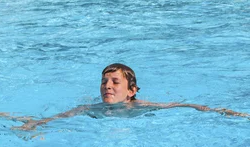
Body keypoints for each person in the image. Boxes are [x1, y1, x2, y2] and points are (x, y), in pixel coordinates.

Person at [21, 63, 248, 130]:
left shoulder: (142, 107)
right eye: (103, 82)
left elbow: (183, 106)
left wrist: (223, 112)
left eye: (115, 82)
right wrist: (35, 124)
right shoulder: (90, 108)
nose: (106, 87)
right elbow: (62, 116)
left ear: (131, 91)